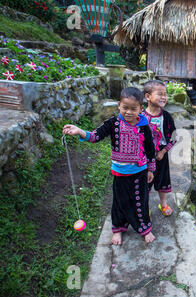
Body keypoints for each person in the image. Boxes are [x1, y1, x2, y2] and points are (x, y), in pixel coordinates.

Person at [62, 87, 157, 245]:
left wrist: (151, 169)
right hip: (120, 173)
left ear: (141, 109)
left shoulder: (144, 126)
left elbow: (150, 149)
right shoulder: (113, 124)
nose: (128, 112)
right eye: (125, 107)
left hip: (139, 172)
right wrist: (79, 131)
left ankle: (145, 229)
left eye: (133, 109)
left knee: (141, 200)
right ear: (119, 105)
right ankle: (118, 229)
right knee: (119, 202)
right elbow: (95, 136)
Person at [142, 80, 176, 217]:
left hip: (161, 155)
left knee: (162, 181)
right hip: (144, 157)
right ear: (148, 97)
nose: (164, 97)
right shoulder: (141, 117)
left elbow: (174, 136)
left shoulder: (166, 117)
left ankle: (163, 204)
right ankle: (146, 208)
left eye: (165, 94)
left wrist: (163, 151)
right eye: (160, 94)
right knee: (145, 183)